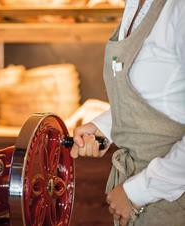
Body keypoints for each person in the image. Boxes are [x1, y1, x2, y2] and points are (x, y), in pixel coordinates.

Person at [70, 0, 185, 225]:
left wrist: (137, 192)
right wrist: (104, 127)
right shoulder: (135, 4)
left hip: (171, 201)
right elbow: (161, 97)